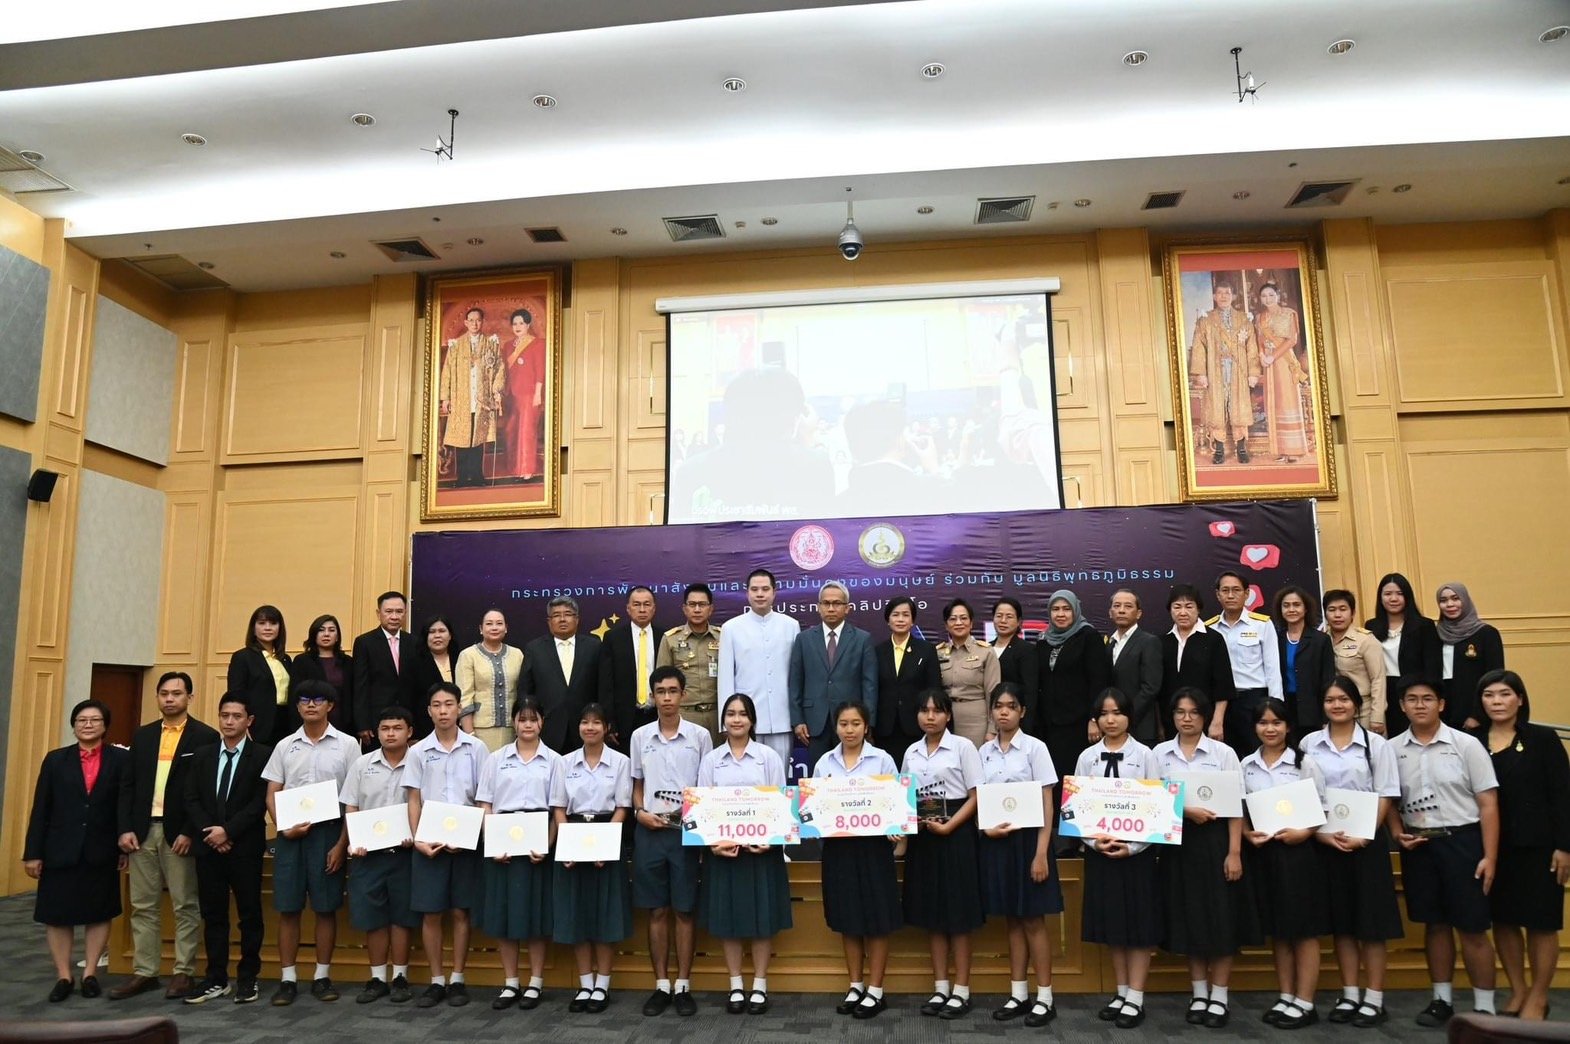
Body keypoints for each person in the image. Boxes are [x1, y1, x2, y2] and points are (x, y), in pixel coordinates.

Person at [1389, 679, 1500, 1026]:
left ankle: (1484, 1007)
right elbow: (1388, 798)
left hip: (1463, 842)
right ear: (1402, 706)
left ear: (1441, 704)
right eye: (1412, 699)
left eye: (1427, 699)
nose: (1420, 705)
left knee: (1472, 927)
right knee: (1434, 925)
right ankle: (1441, 1000)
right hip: (1419, 845)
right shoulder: (1392, 749)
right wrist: (1396, 832)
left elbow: (1489, 804)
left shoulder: (1467, 746)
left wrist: (1490, 857)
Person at [1153, 686, 1259, 1029]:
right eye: (1180, 713)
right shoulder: (1160, 754)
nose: (1186, 719)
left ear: (1204, 716)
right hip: (1178, 846)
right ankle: (1199, 993)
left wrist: (1234, 852)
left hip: (1216, 845)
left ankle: (1220, 995)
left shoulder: (1224, 753)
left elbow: (1235, 809)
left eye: (1194, 713)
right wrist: (1185, 810)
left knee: (1221, 920)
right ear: (1172, 717)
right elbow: (1152, 802)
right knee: (1190, 920)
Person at [1301, 676, 1403, 1028]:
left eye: (1344, 699)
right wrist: (1320, 835)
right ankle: (1350, 994)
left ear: (1356, 704)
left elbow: (1386, 793)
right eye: (1330, 700)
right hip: (1326, 843)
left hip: (1366, 846)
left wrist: (1365, 835)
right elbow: (1305, 794)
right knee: (1342, 924)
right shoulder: (1309, 744)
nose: (1337, 705)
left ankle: (1374, 998)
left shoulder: (1377, 746)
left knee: (1371, 925)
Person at [112, 670, 218, 1001]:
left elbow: (205, 792)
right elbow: (127, 786)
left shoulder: (205, 736)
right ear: (157, 697)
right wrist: (125, 828)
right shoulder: (142, 736)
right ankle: (145, 972)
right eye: (164, 693)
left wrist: (191, 832)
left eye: (176, 693)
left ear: (190, 697)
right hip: (141, 832)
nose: (169, 699)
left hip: (180, 835)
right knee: (142, 905)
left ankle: (183, 972)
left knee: (185, 904)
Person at [1471, 669, 1570, 1020]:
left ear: (1520, 699)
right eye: (1489, 695)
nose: (1496, 702)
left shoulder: (1543, 739)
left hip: (1540, 848)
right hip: (1492, 848)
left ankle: (1539, 997)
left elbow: (1562, 796)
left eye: (1504, 694)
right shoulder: (1472, 739)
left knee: (1541, 923)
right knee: (1505, 920)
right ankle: (1518, 991)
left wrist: (1564, 846)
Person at [24, 699, 129, 1003]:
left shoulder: (119, 760)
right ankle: (63, 975)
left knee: (98, 911)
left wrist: (123, 842)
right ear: (74, 725)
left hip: (102, 847)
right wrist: (33, 852)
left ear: (105, 726)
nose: (87, 725)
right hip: (60, 848)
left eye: (95, 720)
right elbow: (41, 808)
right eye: (81, 720)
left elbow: (123, 804)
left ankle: (91, 972)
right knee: (57, 914)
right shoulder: (56, 760)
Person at [261, 679, 358, 1005]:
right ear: (298, 705)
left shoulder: (347, 745)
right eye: (304, 699)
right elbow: (272, 793)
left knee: (325, 908)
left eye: (318, 699)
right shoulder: (285, 745)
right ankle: (288, 979)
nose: (311, 704)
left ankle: (321, 976)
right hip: (291, 836)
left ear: (330, 705)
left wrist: (342, 844)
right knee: (288, 909)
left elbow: (353, 799)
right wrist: (283, 827)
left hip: (328, 834)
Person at [698, 693, 793, 1016]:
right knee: (729, 920)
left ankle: (760, 986)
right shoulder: (711, 761)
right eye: (731, 714)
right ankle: (736, 984)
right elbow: (703, 810)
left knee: (762, 921)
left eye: (742, 714)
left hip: (761, 852)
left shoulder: (768, 758)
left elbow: (781, 806)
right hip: (724, 853)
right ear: (723, 721)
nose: (736, 720)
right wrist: (713, 844)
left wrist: (772, 840)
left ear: (752, 720)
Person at [1075, 688, 1160, 1030]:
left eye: (1118, 713)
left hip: (1135, 854)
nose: (1111, 720)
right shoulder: (1087, 757)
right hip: (1100, 852)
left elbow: (1157, 807)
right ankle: (1121, 991)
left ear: (1129, 716)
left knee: (1137, 926)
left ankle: (1136, 996)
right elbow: (1077, 808)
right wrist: (1094, 842)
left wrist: (1133, 847)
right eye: (1104, 714)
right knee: (1114, 925)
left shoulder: (1145, 755)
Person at [629, 666, 712, 1017]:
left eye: (672, 691)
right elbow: (636, 785)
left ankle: (683, 985)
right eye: (660, 691)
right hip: (649, 830)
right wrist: (638, 812)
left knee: (684, 909)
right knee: (657, 909)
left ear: (683, 695)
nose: (666, 697)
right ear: (652, 696)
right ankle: (661, 984)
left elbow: (707, 787)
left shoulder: (699, 736)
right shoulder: (639, 737)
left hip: (685, 833)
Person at [1241, 697, 1329, 1029]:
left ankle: (1306, 1002)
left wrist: (1303, 833)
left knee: (1304, 930)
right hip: (1264, 854)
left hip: (1299, 853)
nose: (1270, 728)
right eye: (1263, 723)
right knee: (1279, 930)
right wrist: (1248, 835)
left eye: (1276, 722)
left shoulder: (1305, 763)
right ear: (1255, 728)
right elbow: (1242, 811)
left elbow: (1322, 808)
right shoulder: (1246, 765)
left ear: (1288, 726)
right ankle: (1286, 995)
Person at [977, 682, 1060, 1027]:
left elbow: (1047, 804)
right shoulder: (983, 752)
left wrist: (1041, 853)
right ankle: (1018, 993)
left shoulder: (1035, 749)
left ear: (1022, 711)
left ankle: (1045, 996)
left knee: (1033, 920)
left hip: (1030, 844)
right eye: (998, 706)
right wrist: (985, 830)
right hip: (998, 843)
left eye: (1011, 705)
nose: (1004, 712)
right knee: (1011, 918)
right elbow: (980, 799)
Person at [812, 701, 901, 1020]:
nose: (849, 730)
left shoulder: (882, 760)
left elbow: (897, 807)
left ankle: (876, 990)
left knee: (877, 919)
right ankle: (855, 984)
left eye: (855, 724)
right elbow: (814, 810)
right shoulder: (824, 762)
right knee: (847, 918)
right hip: (839, 850)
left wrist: (895, 825)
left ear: (866, 727)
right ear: (835, 727)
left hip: (874, 850)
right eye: (843, 724)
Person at [900, 688, 984, 1021]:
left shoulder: (963, 747)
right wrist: (915, 823)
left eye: (937, 710)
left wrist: (951, 827)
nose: (930, 716)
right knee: (932, 916)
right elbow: (906, 797)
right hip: (924, 836)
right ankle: (940, 987)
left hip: (957, 833)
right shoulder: (911, 752)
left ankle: (962, 990)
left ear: (948, 715)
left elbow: (977, 795)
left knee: (958, 917)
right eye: (924, 710)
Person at [404, 681, 488, 1008]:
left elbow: (483, 798)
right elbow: (413, 799)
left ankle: (458, 979)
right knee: (431, 913)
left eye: (449, 704)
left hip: (466, 843)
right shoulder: (417, 752)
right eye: (436, 705)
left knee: (460, 911)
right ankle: (436, 980)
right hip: (430, 843)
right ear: (429, 711)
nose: (443, 711)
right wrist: (418, 840)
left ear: (458, 708)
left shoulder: (477, 749)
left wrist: (471, 835)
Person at [183, 694, 271, 1005]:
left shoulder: (263, 755)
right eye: (224, 715)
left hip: (244, 846)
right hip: (209, 848)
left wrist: (228, 831)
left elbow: (259, 802)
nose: (229, 721)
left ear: (249, 721)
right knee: (213, 914)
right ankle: (216, 978)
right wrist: (212, 833)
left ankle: (248, 978)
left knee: (249, 915)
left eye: (236, 716)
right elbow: (191, 798)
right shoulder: (203, 754)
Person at [476, 698, 558, 1011]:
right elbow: (485, 804)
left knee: (535, 916)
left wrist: (547, 845)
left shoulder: (554, 761)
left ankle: (536, 982)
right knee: (503, 915)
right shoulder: (496, 759)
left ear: (541, 723)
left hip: (537, 844)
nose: (527, 725)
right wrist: (492, 843)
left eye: (533, 719)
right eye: (522, 719)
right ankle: (510, 983)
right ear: (513, 723)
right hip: (503, 846)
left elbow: (558, 809)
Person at [550, 703, 632, 1014]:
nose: (590, 727)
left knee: (605, 915)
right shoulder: (565, 762)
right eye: (584, 722)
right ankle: (585, 984)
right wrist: (568, 846)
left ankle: (603, 986)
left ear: (607, 728)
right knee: (577, 914)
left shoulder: (620, 762)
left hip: (606, 833)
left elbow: (623, 807)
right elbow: (558, 807)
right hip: (572, 834)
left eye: (597, 722)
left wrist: (605, 847)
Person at [339, 706, 421, 1006]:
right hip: (368, 854)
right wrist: (354, 841)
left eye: (397, 728)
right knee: (373, 917)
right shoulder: (362, 765)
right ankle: (377, 978)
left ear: (409, 732)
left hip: (405, 853)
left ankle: (400, 976)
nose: (390, 733)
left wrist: (417, 834)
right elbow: (351, 807)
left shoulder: (421, 762)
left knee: (401, 916)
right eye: (385, 728)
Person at [1034, 589, 1110, 819]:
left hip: (1080, 725)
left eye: (1066, 609)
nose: (1061, 614)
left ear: (1075, 610)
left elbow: (1099, 681)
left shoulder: (1088, 637)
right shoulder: (1043, 640)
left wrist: (1094, 718)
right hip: (1050, 726)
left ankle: (1077, 832)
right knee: (1054, 777)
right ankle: (1058, 835)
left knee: (1077, 779)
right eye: (1055, 609)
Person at [717, 569, 802, 763]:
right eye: (754, 589)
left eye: (765, 589)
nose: (760, 594)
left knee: (778, 781)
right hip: (744, 720)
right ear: (747, 593)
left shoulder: (790, 625)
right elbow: (725, 679)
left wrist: (798, 718)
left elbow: (797, 676)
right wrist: (725, 723)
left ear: (774, 592)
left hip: (782, 719)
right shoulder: (731, 628)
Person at [790, 580, 878, 766]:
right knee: (819, 778)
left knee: (851, 774)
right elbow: (795, 682)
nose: (831, 608)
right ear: (818, 607)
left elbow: (869, 685)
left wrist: (867, 722)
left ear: (847, 608)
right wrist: (797, 720)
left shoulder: (862, 639)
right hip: (814, 723)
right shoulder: (804, 639)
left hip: (851, 723)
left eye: (837, 603)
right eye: (826, 603)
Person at [1206, 571, 1282, 755]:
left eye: (1236, 590)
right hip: (1220, 704)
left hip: (1253, 700)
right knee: (1222, 757)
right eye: (1225, 590)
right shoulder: (1209, 627)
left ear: (1247, 594)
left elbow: (1272, 668)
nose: (1230, 595)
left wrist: (1276, 707)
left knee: (1256, 754)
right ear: (1217, 595)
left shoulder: (1262, 624)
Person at [1188, 281, 1260, 465]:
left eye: (1227, 293)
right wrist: (1201, 373)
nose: (1223, 296)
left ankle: (1241, 447)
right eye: (1220, 293)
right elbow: (1198, 347)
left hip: (1238, 370)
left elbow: (1252, 347)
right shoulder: (1205, 320)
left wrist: (1253, 372)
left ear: (1233, 296)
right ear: (1214, 296)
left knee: (1239, 406)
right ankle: (1219, 449)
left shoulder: (1244, 319)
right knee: (1217, 407)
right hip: (1215, 369)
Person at [520, 596, 605, 753]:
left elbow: (603, 686)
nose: (562, 619)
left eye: (568, 614)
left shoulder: (594, 646)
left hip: (586, 728)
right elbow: (526, 690)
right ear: (549, 621)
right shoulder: (535, 649)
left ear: (577, 619)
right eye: (556, 615)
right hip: (548, 729)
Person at [1365, 572, 1441, 737]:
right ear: (1380, 597)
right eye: (1388, 594)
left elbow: (1433, 666)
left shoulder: (1424, 625)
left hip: (1414, 692)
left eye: (1399, 594)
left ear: (1407, 596)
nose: (1393, 599)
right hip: (1383, 692)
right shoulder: (1371, 626)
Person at [438, 305, 504, 487]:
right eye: (471, 320)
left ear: (482, 322)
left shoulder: (491, 344)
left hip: (482, 399)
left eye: (478, 320)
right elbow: (447, 372)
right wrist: (445, 398)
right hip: (461, 399)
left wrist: (497, 391)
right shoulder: (456, 345)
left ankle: (477, 476)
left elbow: (499, 369)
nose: (475, 323)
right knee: (462, 438)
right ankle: (462, 477)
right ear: (466, 323)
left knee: (478, 438)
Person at [1159, 583, 1235, 739]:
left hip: (1206, 719)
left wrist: (1217, 722)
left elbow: (1223, 685)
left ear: (1198, 609)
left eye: (1189, 607)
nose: (1183, 612)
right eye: (1177, 607)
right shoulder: (1162, 641)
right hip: (1172, 721)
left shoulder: (1213, 639)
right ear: (1170, 610)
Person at [873, 596, 942, 762]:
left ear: (912, 621)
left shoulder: (926, 650)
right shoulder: (877, 651)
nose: (900, 619)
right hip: (885, 728)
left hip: (917, 726)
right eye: (895, 615)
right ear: (888, 620)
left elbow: (934, 688)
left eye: (906, 615)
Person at [654, 582, 723, 745]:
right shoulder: (670, 639)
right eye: (692, 604)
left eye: (702, 604)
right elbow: (661, 683)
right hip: (684, 715)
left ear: (711, 608)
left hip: (717, 715)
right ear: (684, 608)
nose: (697, 609)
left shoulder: (723, 637)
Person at [599, 586, 665, 751]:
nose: (642, 609)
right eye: (636, 604)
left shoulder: (664, 636)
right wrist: (609, 721)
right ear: (628, 609)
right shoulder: (613, 638)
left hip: (657, 715)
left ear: (654, 608)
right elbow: (606, 683)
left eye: (647, 604)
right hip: (624, 720)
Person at [1435, 583, 1505, 729]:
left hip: (1473, 714)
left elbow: (1495, 678)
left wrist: (1478, 715)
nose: (1450, 604)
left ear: (1465, 600)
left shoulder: (1486, 634)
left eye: (1455, 598)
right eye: (1443, 600)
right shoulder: (1434, 634)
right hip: (1441, 713)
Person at [1254, 282, 1310, 462]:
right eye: (1264, 296)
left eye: (1271, 295)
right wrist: (1262, 355)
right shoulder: (1260, 317)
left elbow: (1292, 339)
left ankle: (1294, 450)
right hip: (1269, 363)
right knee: (1274, 403)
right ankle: (1281, 449)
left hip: (1284, 361)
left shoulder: (1289, 314)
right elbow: (1259, 340)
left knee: (1287, 401)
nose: (1267, 299)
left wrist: (1273, 356)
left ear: (1278, 295)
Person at [455, 608, 524, 749]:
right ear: (481, 629)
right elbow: (464, 696)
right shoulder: (468, 655)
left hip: (512, 729)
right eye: (489, 623)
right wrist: (470, 735)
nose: (494, 627)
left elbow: (522, 691)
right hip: (480, 729)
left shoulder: (517, 654)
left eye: (499, 623)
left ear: (506, 628)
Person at [936, 598, 1000, 747]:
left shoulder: (985, 651)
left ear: (971, 623)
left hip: (976, 721)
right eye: (953, 619)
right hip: (945, 721)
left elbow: (993, 693)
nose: (958, 623)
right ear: (946, 625)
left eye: (963, 618)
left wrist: (992, 729)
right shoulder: (937, 653)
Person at [1322, 590, 1388, 734]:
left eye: (1343, 609)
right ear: (1325, 614)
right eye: (1332, 610)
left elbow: (1378, 679)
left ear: (1352, 613)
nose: (1337, 615)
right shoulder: (1321, 640)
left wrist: (1377, 717)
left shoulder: (1366, 640)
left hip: (1363, 711)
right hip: (1334, 710)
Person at [1270, 585, 1335, 732]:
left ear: (1306, 609)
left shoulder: (1321, 640)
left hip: (1313, 709)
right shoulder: (1275, 639)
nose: (1291, 609)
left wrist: (1326, 716)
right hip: (1283, 708)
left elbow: (1328, 679)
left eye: (1296, 605)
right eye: (1286, 605)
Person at [227, 604, 292, 744]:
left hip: (285, 723)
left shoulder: (285, 659)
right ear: (254, 628)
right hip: (257, 725)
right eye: (262, 623)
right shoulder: (242, 657)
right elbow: (236, 695)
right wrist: (243, 726)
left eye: (273, 623)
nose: (268, 628)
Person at [354, 592, 412, 744]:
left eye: (399, 612)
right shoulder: (364, 642)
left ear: (405, 613)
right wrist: (362, 723)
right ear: (378, 613)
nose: (394, 616)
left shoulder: (414, 642)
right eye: (389, 611)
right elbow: (361, 685)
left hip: (407, 721)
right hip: (376, 722)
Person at [1107, 589, 1163, 746]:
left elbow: (1151, 687)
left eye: (1128, 606)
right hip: (1112, 727)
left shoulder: (1149, 642)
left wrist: (1126, 716)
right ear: (1110, 613)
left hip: (1140, 726)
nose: (1122, 610)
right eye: (1117, 606)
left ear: (1138, 613)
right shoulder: (1109, 644)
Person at [499, 306, 546, 480]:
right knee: (512, 430)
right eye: (515, 323)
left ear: (528, 325)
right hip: (512, 394)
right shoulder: (508, 346)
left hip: (529, 394)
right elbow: (505, 370)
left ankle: (526, 469)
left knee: (526, 431)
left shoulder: (538, 344)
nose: (518, 326)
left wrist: (538, 394)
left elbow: (540, 369)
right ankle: (514, 467)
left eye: (521, 323)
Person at [290, 614, 356, 736]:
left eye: (331, 630)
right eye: (321, 630)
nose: (326, 634)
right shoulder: (302, 661)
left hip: (343, 723)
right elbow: (295, 695)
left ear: (337, 637)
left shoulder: (348, 662)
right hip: (311, 723)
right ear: (314, 635)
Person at [402, 614, 455, 739]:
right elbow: (407, 700)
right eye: (432, 632)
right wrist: (413, 736)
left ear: (450, 635)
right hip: (424, 731)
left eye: (442, 631)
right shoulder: (413, 663)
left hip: (457, 728)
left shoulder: (461, 658)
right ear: (426, 637)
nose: (437, 635)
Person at [990, 597, 1039, 705]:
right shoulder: (986, 648)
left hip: (1014, 713)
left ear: (1019, 622)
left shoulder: (1026, 650)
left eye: (1009, 617)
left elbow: (1030, 692)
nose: (1003, 621)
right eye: (999, 616)